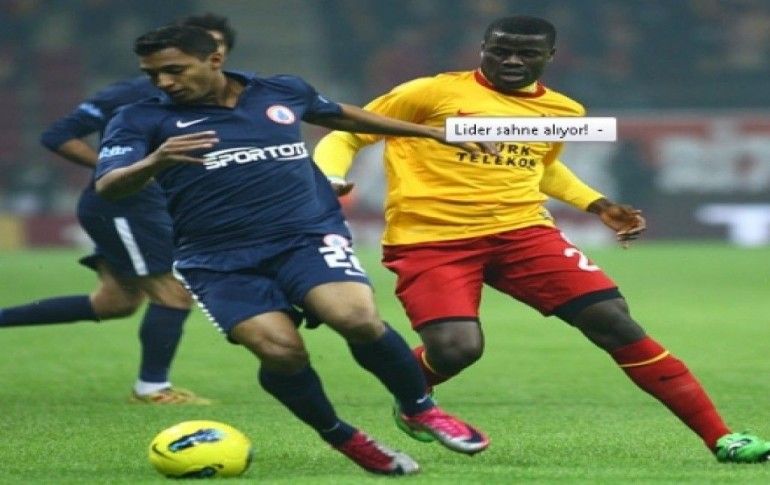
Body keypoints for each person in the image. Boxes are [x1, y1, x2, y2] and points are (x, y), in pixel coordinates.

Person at [313, 15, 770, 464]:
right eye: (500, 51)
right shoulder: (429, 93)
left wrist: (597, 204)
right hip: (432, 239)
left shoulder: (563, 111)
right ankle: (415, 397)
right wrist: (330, 176)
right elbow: (345, 135)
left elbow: (541, 166)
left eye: (526, 53)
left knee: (614, 320)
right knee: (456, 349)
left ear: (549, 56)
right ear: (482, 50)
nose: (512, 60)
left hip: (523, 233)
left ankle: (722, 437)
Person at [93, 25, 491, 476]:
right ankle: (344, 437)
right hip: (216, 258)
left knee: (356, 318)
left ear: (214, 59)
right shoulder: (140, 118)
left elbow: (339, 115)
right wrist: (154, 161)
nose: (164, 82)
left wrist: (429, 133)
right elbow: (108, 186)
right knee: (281, 352)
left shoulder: (280, 91)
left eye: (174, 70)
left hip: (304, 237)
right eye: (153, 75)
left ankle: (419, 408)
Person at [0, 14, 237, 405]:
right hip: (125, 204)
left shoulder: (226, 98)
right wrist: (121, 170)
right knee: (174, 293)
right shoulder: (131, 95)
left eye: (217, 45)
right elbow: (58, 134)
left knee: (115, 303)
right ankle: (152, 389)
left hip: (153, 207)